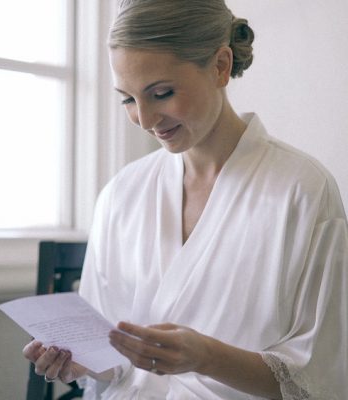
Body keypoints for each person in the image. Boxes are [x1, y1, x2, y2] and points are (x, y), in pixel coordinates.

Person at [23, 0, 348, 398]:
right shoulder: (121, 195)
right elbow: (112, 363)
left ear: (221, 66)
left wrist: (207, 356)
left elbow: (319, 380)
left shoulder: (302, 191)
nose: (144, 120)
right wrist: (79, 361)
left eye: (161, 93)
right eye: (127, 99)